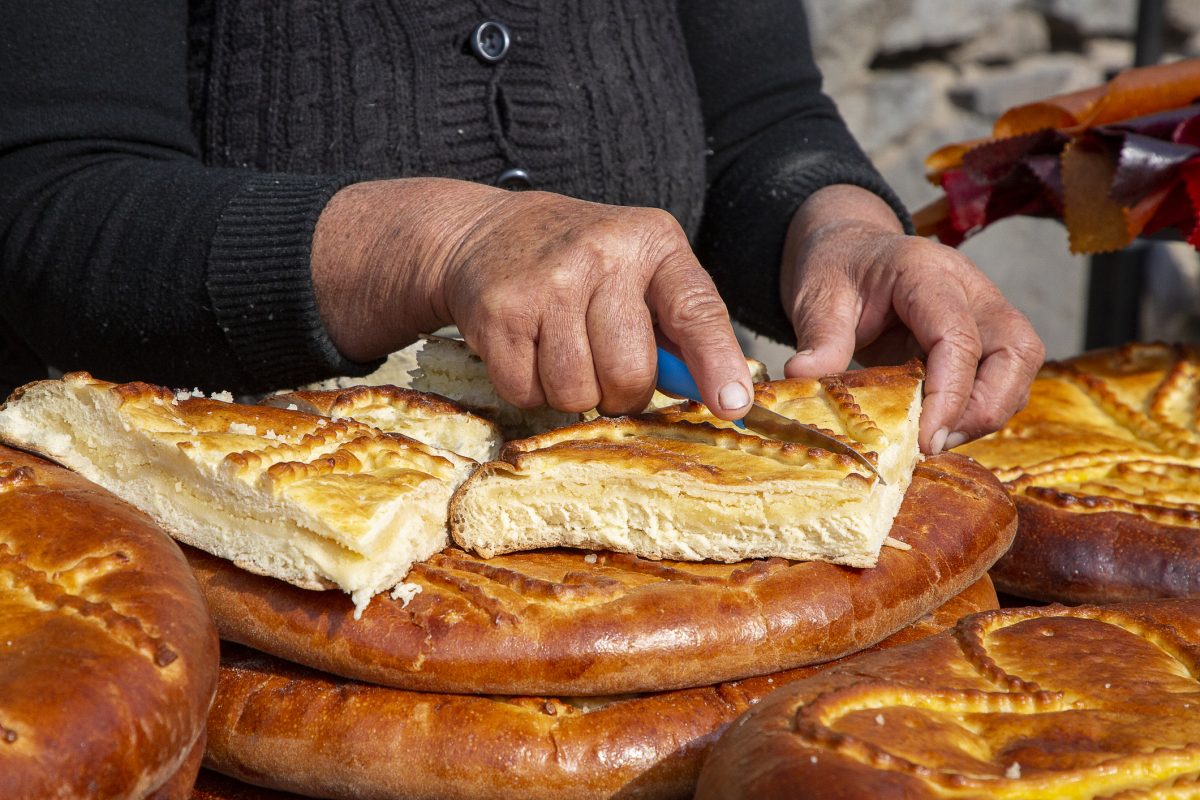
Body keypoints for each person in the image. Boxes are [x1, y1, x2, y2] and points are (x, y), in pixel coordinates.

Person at [0, 1, 1043, 455]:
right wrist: (441, 242)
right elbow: (53, 203)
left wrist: (845, 236)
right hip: (198, 587)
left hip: (632, 553)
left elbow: (760, 121)